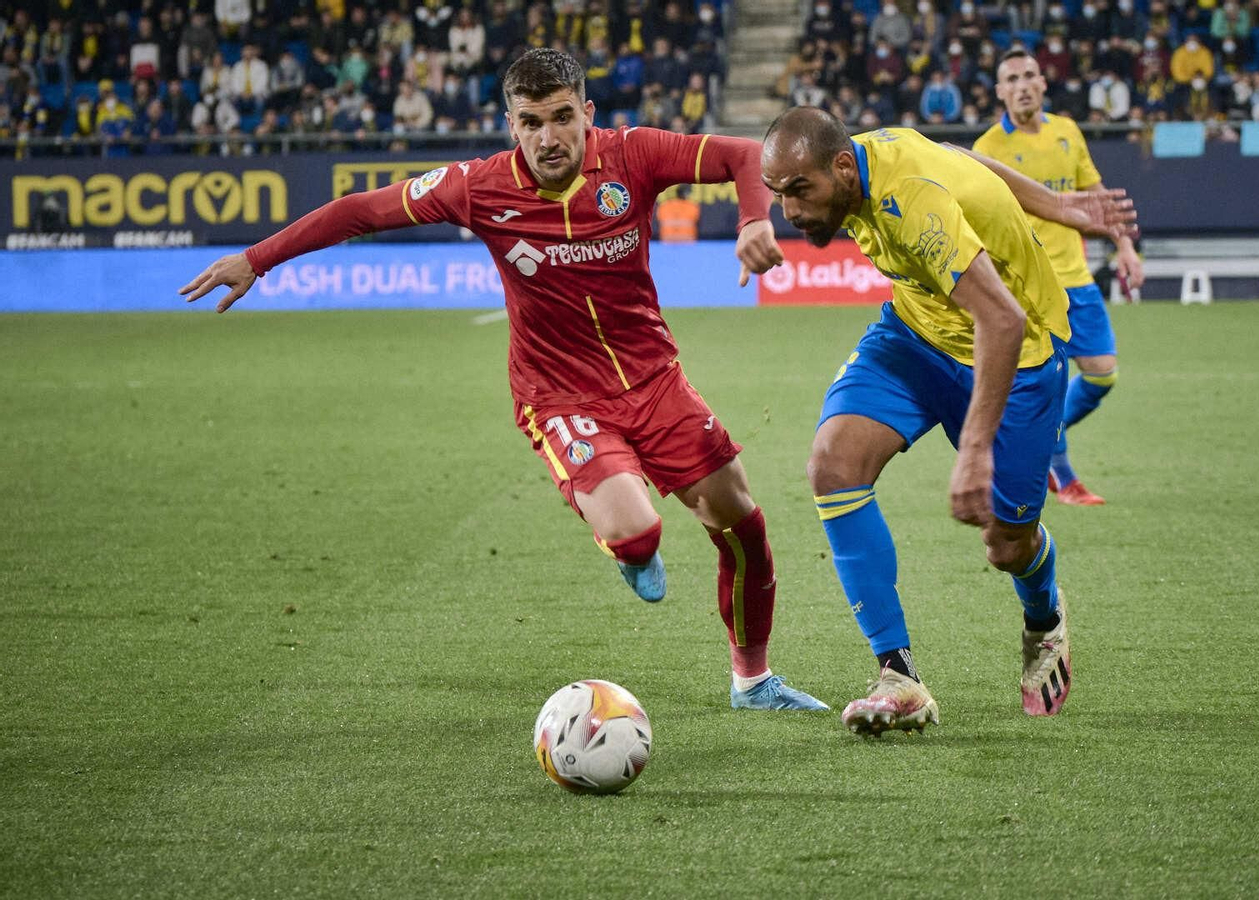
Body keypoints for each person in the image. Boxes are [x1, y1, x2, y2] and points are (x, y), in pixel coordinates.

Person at [178, 48, 827, 714]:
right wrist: (258, 259)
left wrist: (753, 219)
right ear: (510, 125)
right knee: (638, 533)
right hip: (560, 396)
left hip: (655, 379)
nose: (549, 137)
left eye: (562, 117)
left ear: (587, 113)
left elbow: (743, 155)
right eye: (531, 122)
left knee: (743, 525)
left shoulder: (633, 155)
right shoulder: (477, 186)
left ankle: (753, 681)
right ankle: (629, 551)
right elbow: (361, 212)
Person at [760, 108, 1134, 735]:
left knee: (1005, 544)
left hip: (1016, 357)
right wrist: (1059, 207)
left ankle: (1044, 619)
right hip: (915, 335)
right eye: (779, 195)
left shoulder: (911, 204)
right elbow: (967, 161)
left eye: (801, 191)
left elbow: (1004, 320)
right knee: (833, 464)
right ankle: (897, 675)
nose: (790, 211)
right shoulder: (875, 153)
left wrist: (974, 450)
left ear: (842, 167)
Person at [974, 50, 1143, 507]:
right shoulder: (987, 150)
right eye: (1012, 78)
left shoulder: (1067, 132)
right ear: (999, 91)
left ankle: (1043, 439)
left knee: (1102, 375)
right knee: (1046, 382)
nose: (1023, 84)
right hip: (1027, 286)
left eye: (1030, 75)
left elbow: (1096, 197)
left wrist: (1124, 246)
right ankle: (1064, 476)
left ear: (1044, 83)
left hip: (1077, 277)